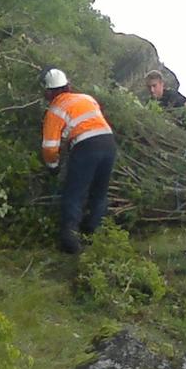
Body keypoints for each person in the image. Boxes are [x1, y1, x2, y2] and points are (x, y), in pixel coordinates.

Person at [40, 68, 117, 254]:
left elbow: (50, 147)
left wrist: (53, 166)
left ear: (48, 92)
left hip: (86, 147)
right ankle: (91, 235)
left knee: (74, 193)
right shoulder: (86, 98)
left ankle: (70, 242)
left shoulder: (55, 110)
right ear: (68, 85)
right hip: (109, 143)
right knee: (99, 193)